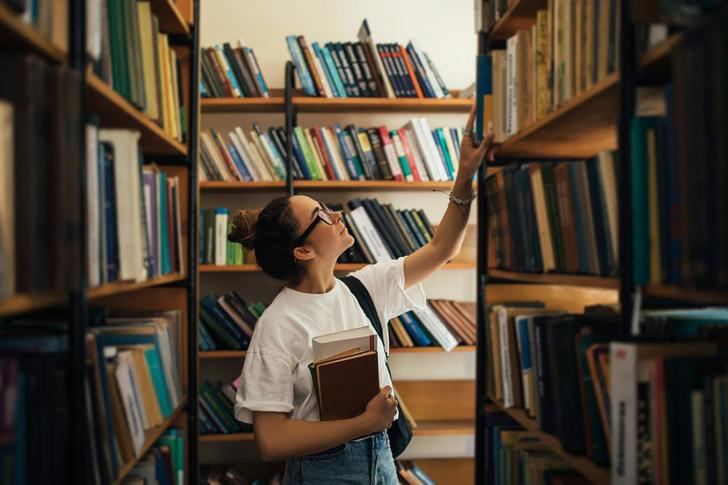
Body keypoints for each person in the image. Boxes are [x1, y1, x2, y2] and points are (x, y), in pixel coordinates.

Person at [229, 108, 494, 484]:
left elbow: (442, 249)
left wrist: (465, 175)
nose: (336, 214)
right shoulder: (276, 325)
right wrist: (363, 423)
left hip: (382, 460)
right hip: (322, 473)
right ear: (303, 251)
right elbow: (271, 440)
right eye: (321, 215)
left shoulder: (365, 287)